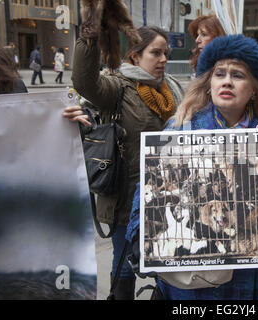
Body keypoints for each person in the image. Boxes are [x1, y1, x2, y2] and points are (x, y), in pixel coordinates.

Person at [133, 34, 258, 300]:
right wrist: (138, 231)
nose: (227, 81)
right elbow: (146, 185)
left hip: (252, 280)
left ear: (254, 88)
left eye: (238, 75)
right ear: (209, 83)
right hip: (196, 285)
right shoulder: (182, 126)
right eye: (220, 74)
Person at [63, 25, 184, 299]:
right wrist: (91, 36)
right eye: (156, 53)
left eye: (166, 52)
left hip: (169, 199)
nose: (164, 59)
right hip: (126, 200)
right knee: (125, 268)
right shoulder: (116, 87)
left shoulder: (174, 90)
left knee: (168, 267)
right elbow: (84, 82)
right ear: (134, 56)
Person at [188, 15, 258, 120]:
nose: (197, 40)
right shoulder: (188, 125)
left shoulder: (248, 64)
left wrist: (257, 120)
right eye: (219, 74)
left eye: (204, 34)